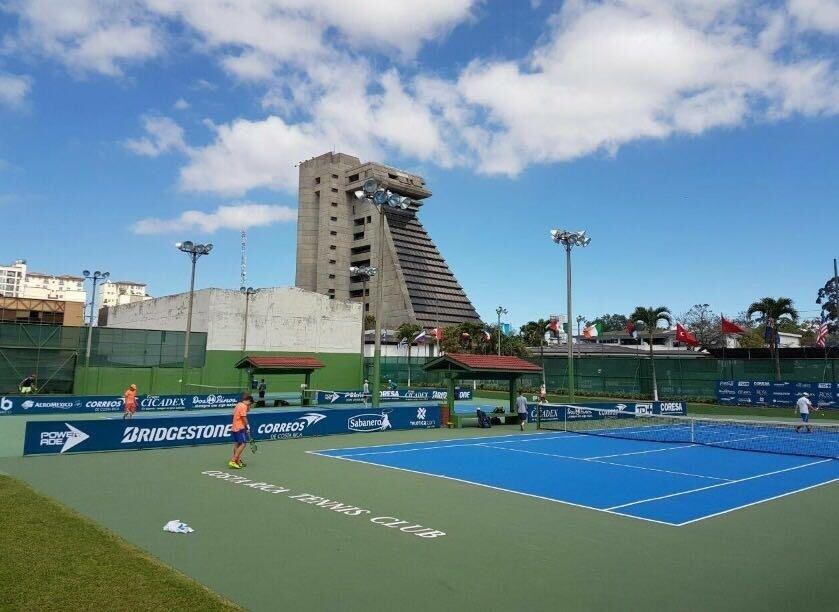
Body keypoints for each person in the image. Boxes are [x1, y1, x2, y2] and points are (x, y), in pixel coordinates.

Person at [229, 393, 254, 469]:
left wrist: (248, 405)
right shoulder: (243, 406)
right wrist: (248, 426)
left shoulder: (238, 404)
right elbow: (244, 417)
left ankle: (237, 460)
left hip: (234, 427)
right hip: (240, 428)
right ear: (248, 401)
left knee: (237, 444)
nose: (249, 405)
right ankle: (233, 460)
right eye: (250, 403)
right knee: (243, 444)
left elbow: (233, 415)